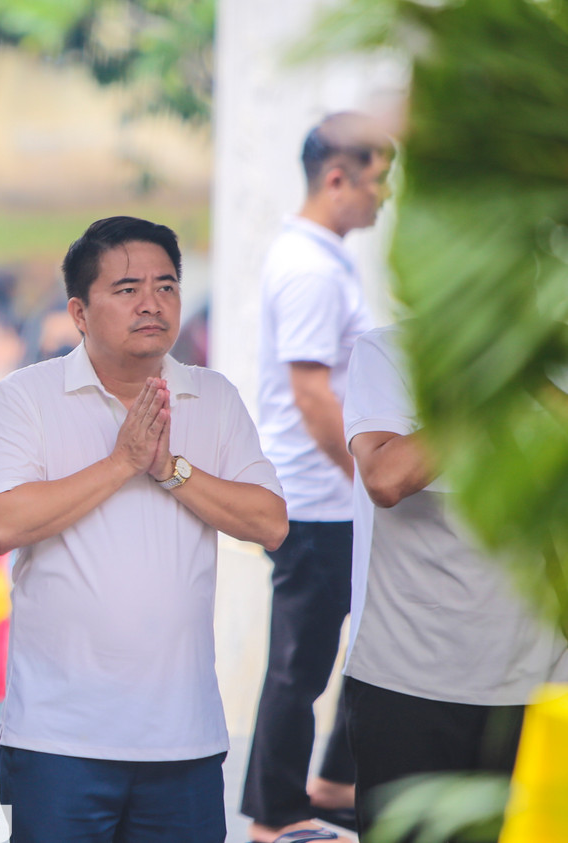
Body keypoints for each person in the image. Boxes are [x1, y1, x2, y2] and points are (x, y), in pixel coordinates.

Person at [0, 216, 287, 843]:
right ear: (79, 312)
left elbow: (271, 522)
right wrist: (121, 462)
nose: (152, 303)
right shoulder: (26, 397)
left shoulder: (212, 396)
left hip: (184, 738)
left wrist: (170, 469)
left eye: (166, 286)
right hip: (58, 739)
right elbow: (1, 523)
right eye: (126, 289)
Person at [342, 325, 568, 833]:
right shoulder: (390, 351)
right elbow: (386, 478)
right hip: (409, 682)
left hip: (540, 686)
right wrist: (492, 382)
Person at [243, 111, 393, 843]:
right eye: (378, 179)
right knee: (299, 662)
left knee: (361, 643)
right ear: (338, 178)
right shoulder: (308, 267)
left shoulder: (322, 258)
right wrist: (368, 478)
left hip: (331, 496)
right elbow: (311, 394)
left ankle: (332, 780)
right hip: (314, 499)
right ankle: (274, 813)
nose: (383, 195)